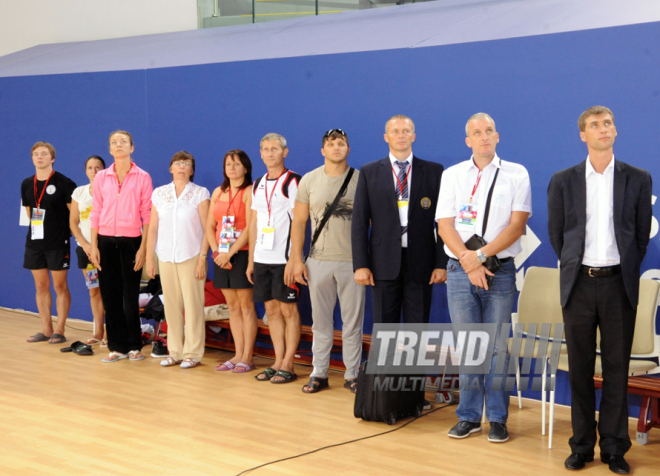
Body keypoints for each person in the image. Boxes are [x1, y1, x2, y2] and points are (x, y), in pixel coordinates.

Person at [548, 106, 652, 474]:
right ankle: (581, 446)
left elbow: (640, 239)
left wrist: (620, 268)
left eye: (607, 123)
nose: (602, 129)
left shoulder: (638, 178)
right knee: (578, 370)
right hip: (578, 286)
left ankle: (614, 447)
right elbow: (558, 236)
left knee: (616, 369)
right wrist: (579, 267)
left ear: (615, 130)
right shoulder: (563, 180)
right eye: (594, 125)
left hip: (617, 286)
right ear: (583, 135)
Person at [436, 113, 532, 443]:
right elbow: (445, 225)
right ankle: (469, 417)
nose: (484, 136)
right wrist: (470, 262)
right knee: (469, 347)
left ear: (497, 136)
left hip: (501, 272)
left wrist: (478, 256)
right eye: (477, 133)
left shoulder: (516, 173)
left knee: (498, 350)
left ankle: (498, 418)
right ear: (468, 141)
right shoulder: (452, 175)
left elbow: (517, 226)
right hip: (461, 273)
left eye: (489, 130)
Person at [285, 129, 365, 394]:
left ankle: (352, 374)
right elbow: (299, 222)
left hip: (352, 263)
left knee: (352, 324)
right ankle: (319, 373)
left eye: (341, 143)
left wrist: (368, 261)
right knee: (321, 322)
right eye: (331, 144)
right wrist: (296, 259)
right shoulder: (309, 180)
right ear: (323, 151)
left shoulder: (360, 179)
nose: (336, 148)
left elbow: (374, 222)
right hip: (317, 261)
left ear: (348, 149)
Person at [352, 115, 448, 325]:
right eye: (395, 131)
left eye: (406, 131)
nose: (401, 135)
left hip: (422, 263)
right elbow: (359, 222)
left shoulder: (434, 171)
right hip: (382, 263)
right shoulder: (369, 172)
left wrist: (442, 263)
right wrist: (360, 264)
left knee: (418, 328)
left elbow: (444, 222)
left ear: (413, 136)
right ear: (386, 137)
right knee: (385, 329)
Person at [90, 130, 153, 363]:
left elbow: (147, 215)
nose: (118, 145)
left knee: (130, 296)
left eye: (123, 142)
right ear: (109, 149)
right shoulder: (101, 178)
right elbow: (96, 212)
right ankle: (116, 347)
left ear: (131, 148)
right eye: (114, 143)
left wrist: (143, 248)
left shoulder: (142, 177)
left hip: (132, 242)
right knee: (110, 296)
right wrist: (93, 245)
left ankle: (134, 345)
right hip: (105, 242)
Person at [145, 151, 210, 369]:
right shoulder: (159, 194)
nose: (181, 166)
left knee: (193, 305)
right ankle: (175, 351)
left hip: (191, 255)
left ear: (192, 170)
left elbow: (207, 228)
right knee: (171, 305)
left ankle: (193, 353)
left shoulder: (200, 193)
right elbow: (153, 228)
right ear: (171, 168)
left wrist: (203, 258)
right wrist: (149, 258)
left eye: (186, 163)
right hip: (165, 256)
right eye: (177, 163)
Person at [247, 133, 302, 384]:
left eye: (275, 149)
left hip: (284, 258)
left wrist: (294, 259)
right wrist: (251, 260)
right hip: (262, 257)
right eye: (265, 149)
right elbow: (254, 223)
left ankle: (289, 363)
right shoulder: (257, 183)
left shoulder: (292, 181)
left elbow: (300, 222)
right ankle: (278, 360)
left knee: (288, 309)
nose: (270, 153)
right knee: (270, 309)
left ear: (285, 152)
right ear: (260, 153)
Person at [206, 149, 258, 373]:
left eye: (237, 164)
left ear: (245, 168)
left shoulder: (250, 191)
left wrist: (231, 253)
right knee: (233, 307)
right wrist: (218, 252)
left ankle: (248, 356)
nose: (233, 168)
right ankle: (237, 354)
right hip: (220, 256)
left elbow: (250, 227)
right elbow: (210, 226)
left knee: (246, 306)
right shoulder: (218, 191)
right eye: (229, 164)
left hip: (242, 252)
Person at [22, 142, 77, 344]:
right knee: (40, 285)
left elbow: (74, 215)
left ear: (52, 158)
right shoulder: (27, 184)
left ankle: (60, 329)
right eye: (36, 154)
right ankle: (46, 328)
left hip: (58, 242)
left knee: (59, 285)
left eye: (44, 154)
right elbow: (29, 212)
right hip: (34, 243)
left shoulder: (65, 183)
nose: (39, 157)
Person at [70, 155, 107, 346]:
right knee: (94, 290)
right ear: (86, 171)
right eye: (90, 168)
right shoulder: (79, 193)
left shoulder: (110, 192)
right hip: (87, 253)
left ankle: (111, 332)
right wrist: (85, 245)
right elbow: (73, 223)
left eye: (98, 167)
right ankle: (98, 331)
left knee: (110, 291)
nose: (94, 171)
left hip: (107, 250)